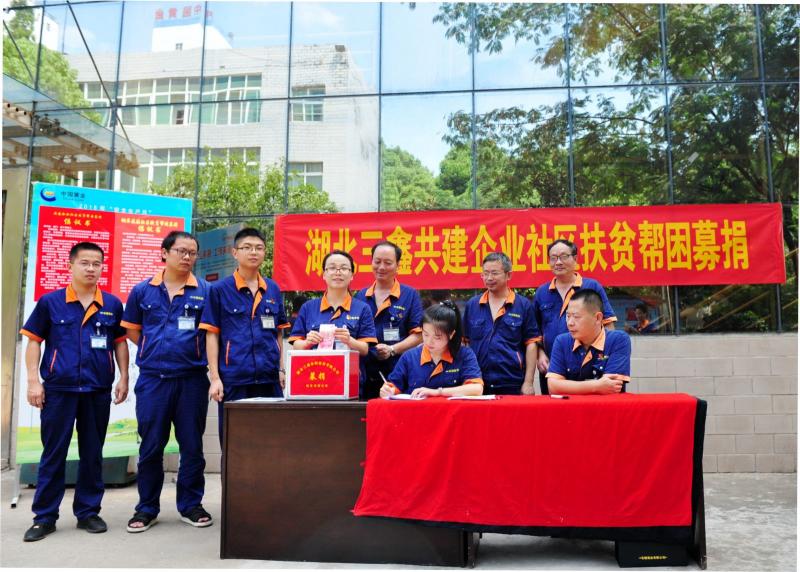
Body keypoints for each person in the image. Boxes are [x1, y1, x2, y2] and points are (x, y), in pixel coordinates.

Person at [19, 242, 129, 542]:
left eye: (96, 263)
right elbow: (34, 341)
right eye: (85, 263)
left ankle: (88, 512)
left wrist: (124, 377)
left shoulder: (111, 304)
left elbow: (119, 343)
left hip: (96, 390)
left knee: (92, 453)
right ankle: (44, 517)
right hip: (59, 390)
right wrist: (33, 381)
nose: (91, 268)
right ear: (71, 265)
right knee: (53, 453)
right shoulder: (51, 302)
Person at [121, 231, 212, 533]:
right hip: (153, 381)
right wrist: (153, 349)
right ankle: (146, 508)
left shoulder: (206, 291)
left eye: (192, 252)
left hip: (192, 380)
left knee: (192, 446)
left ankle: (191, 505)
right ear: (164, 253)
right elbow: (132, 330)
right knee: (151, 446)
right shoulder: (142, 291)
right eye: (180, 251)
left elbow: (212, 332)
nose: (187, 257)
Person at [199, 228, 290, 444]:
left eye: (259, 248)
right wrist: (215, 378)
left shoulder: (272, 289)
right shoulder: (219, 290)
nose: (253, 252)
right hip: (235, 379)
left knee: (272, 440)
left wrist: (280, 369)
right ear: (235, 252)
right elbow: (211, 335)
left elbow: (278, 333)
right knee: (235, 442)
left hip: (269, 379)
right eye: (247, 247)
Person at [532, 239, 616, 394]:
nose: (558, 262)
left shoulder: (591, 287)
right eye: (553, 258)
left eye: (564, 256)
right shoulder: (542, 292)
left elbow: (608, 324)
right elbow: (534, 332)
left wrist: (606, 359)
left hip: (590, 364)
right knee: (555, 406)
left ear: (575, 258)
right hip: (553, 366)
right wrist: (539, 354)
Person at [288, 250, 378, 394]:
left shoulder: (362, 308)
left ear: (352, 275)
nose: (338, 272)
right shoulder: (308, 307)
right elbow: (296, 345)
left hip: (349, 381)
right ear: (324, 274)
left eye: (344, 268)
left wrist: (350, 341)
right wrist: (307, 343)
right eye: (332, 268)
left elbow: (365, 349)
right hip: (314, 380)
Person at [354, 241, 423, 399]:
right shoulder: (361, 296)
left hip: (399, 372)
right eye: (377, 261)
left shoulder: (410, 295)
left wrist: (392, 349)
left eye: (388, 263)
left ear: (398, 265)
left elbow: (418, 335)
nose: (381, 267)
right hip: (365, 373)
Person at [463, 252, 538, 395]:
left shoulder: (522, 305)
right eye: (485, 273)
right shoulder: (472, 305)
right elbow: (465, 343)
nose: (489, 278)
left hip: (512, 381)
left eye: (494, 273)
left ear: (508, 275)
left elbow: (531, 344)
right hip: (478, 382)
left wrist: (528, 382)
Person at [380, 301, 483, 398]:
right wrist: (388, 391)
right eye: (425, 334)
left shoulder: (464, 355)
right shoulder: (409, 357)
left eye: (437, 337)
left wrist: (437, 392)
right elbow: (393, 386)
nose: (429, 341)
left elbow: (476, 389)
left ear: (451, 334)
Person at [546, 290, 631, 395]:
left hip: (606, 405)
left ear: (598, 318)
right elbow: (553, 387)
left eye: (576, 317)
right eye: (568, 316)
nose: (570, 323)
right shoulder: (562, 341)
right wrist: (597, 386)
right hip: (572, 405)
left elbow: (612, 386)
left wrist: (567, 386)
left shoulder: (618, 340)